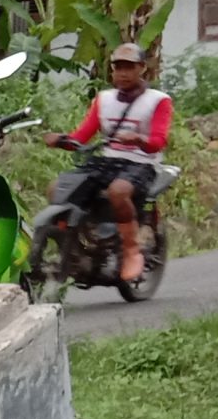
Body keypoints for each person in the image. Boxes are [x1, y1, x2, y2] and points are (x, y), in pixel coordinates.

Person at [49, 43, 173, 284]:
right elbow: (82, 135)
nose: (123, 73)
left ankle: (131, 250)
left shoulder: (159, 101)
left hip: (142, 163)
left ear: (142, 69)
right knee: (57, 189)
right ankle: (72, 245)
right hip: (106, 161)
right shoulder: (103, 99)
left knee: (118, 192)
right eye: (118, 68)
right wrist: (61, 140)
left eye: (129, 67)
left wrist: (139, 138)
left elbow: (159, 141)